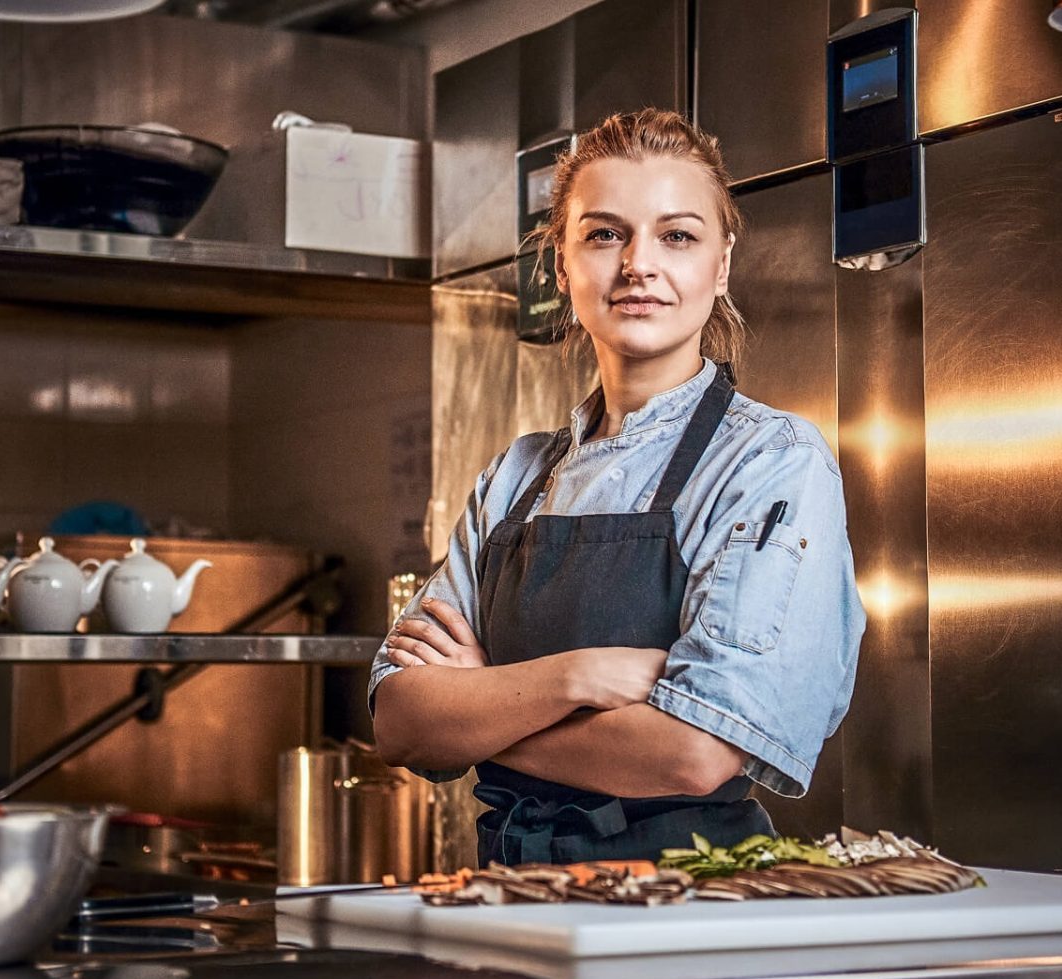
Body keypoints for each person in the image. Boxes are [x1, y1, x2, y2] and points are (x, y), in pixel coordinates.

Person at [369, 108, 864, 866]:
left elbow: (695, 753)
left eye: (677, 235)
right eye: (604, 234)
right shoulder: (516, 476)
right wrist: (581, 676)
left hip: (684, 912)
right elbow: (401, 720)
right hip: (508, 906)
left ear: (720, 264)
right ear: (561, 266)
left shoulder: (772, 461)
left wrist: (487, 703)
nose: (638, 263)